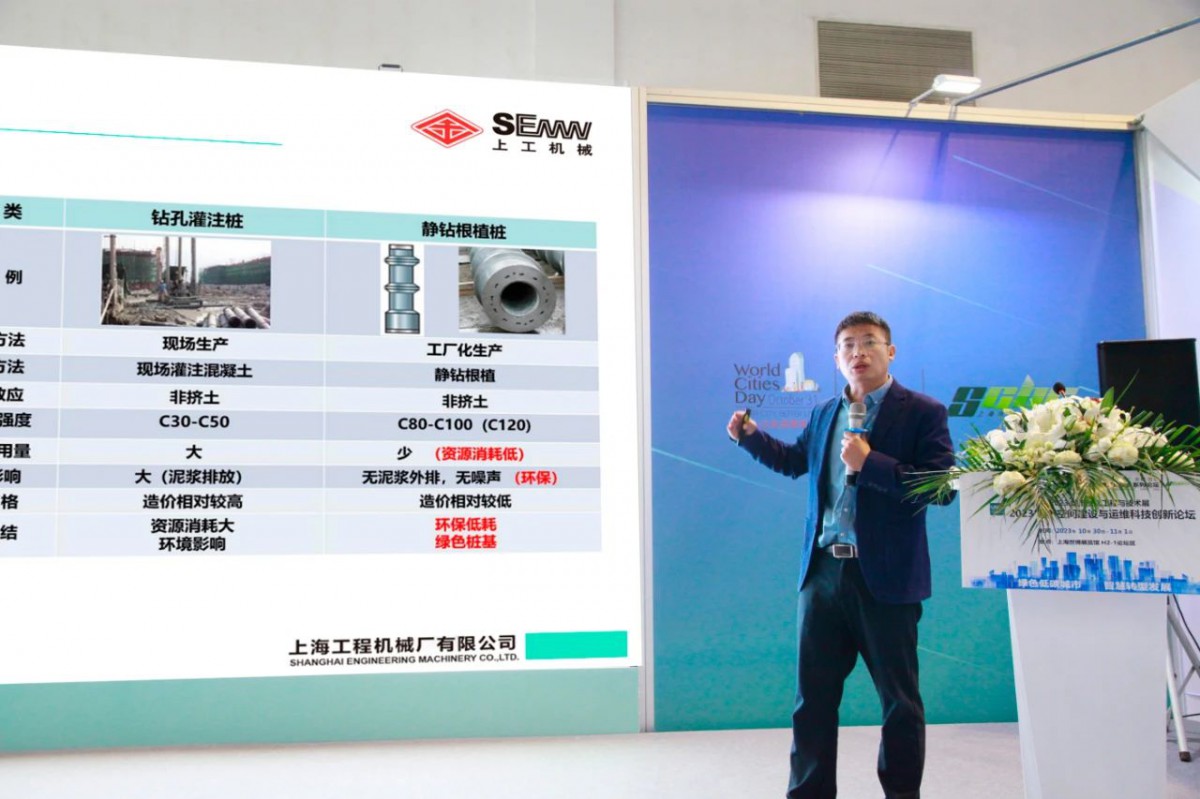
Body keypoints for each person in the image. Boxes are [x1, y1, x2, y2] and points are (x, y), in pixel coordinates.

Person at [726, 311, 954, 799]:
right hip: (823, 574)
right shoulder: (825, 413)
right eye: (848, 345)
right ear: (836, 359)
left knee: (899, 704)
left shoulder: (922, 412)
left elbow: (941, 487)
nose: (858, 352)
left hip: (886, 580)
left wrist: (872, 464)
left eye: (869, 342)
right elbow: (794, 462)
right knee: (812, 702)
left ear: (890, 352)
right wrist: (750, 438)